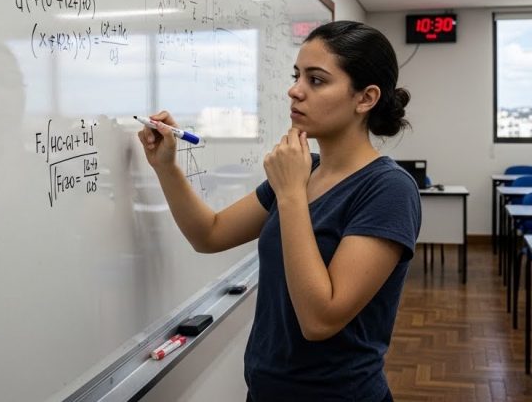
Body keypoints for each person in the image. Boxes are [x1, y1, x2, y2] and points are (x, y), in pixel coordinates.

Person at [138, 21, 421, 401]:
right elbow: (209, 234)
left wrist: (290, 195)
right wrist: (166, 167)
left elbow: (320, 319)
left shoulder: (388, 189)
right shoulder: (304, 171)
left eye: (316, 80)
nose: (295, 90)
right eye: (296, 76)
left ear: (365, 98)